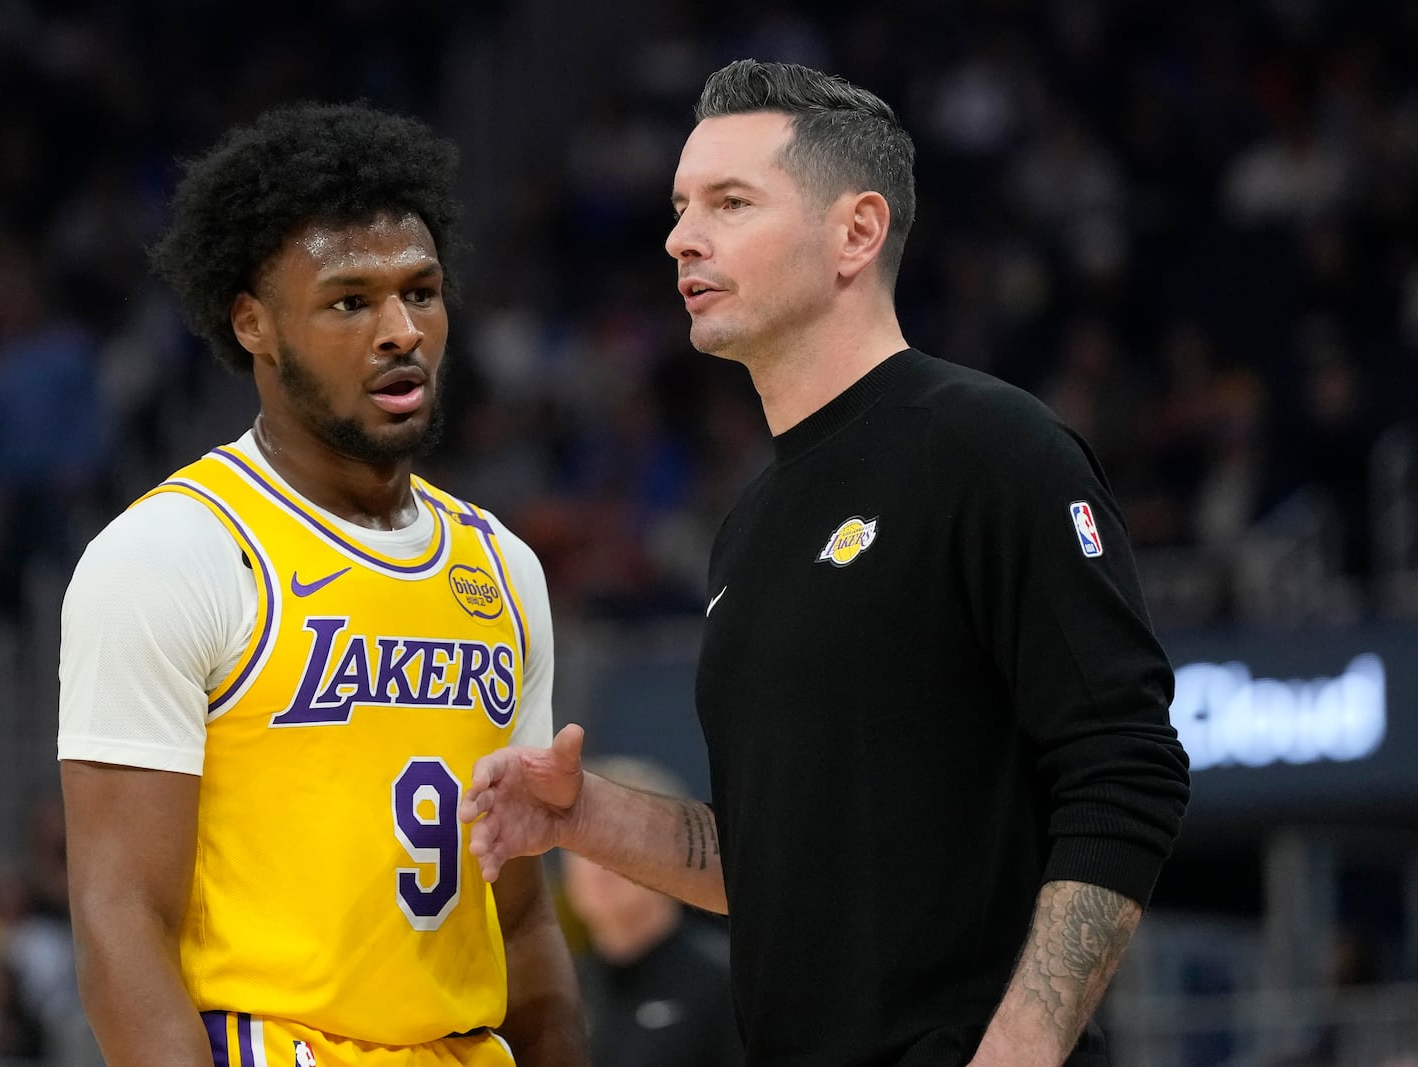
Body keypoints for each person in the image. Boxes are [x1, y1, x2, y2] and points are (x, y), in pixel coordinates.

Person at [460, 60, 1191, 1067]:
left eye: (728, 201)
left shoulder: (991, 447)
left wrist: (1019, 1046)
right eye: (678, 205)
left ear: (855, 232)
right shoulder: (748, 520)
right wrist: (583, 815)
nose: (679, 235)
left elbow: (1129, 766)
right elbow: (773, 860)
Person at [58, 102, 587, 1067]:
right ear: (253, 323)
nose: (401, 332)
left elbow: (520, 920)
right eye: (351, 302)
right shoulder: (175, 551)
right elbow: (118, 917)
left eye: (421, 293)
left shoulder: (503, 568)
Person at [559, 757, 741, 1067]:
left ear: (672, 861)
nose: (597, 867)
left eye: (616, 843)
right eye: (583, 847)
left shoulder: (726, 985)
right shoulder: (562, 988)